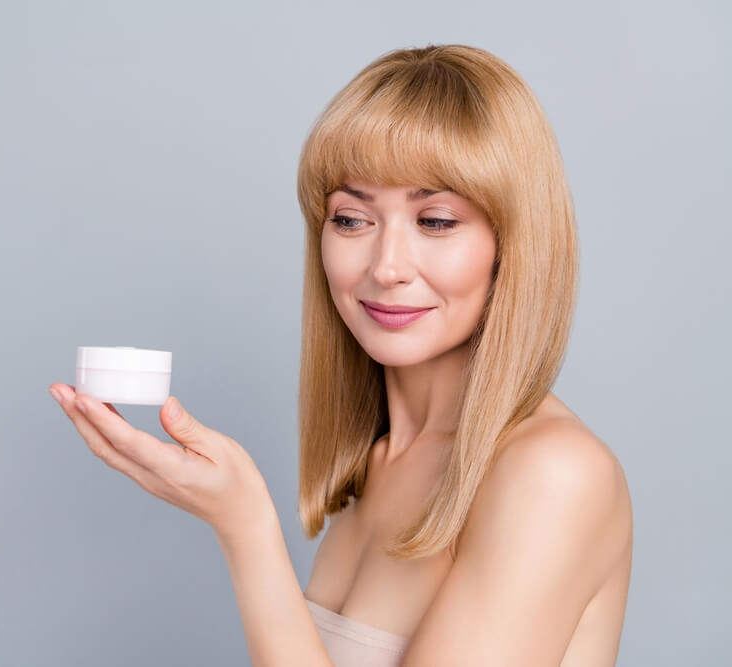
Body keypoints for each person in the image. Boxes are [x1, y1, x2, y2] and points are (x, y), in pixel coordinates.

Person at [49, 43, 633, 667]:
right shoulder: (374, 462)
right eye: (352, 219)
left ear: (512, 244)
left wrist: (246, 526)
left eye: (435, 220)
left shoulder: (554, 474)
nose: (386, 268)